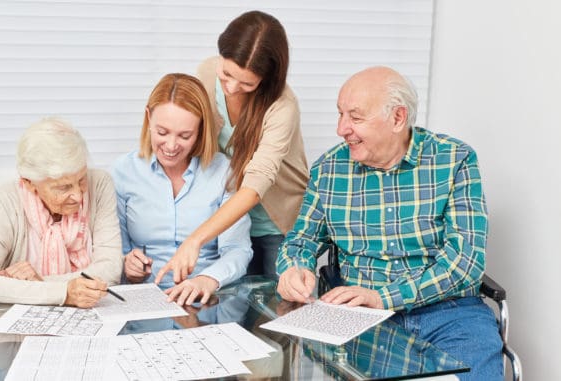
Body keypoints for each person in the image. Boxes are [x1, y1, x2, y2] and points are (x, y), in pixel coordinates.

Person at [276, 67, 503, 380]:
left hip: (450, 315)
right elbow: (301, 241)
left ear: (398, 118)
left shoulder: (455, 160)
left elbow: (465, 262)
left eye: (355, 117)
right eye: (340, 114)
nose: (341, 128)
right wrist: (292, 268)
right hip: (361, 318)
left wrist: (384, 297)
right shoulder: (329, 169)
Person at [156, 10, 309, 284]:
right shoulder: (206, 72)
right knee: (231, 308)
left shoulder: (282, 105)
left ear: (267, 79)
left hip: (276, 221)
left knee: (277, 311)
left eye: (247, 83)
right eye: (226, 73)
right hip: (226, 222)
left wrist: (196, 239)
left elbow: (255, 186)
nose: (232, 87)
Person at [111, 73, 253, 305]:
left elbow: (238, 250)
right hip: (144, 302)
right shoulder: (123, 172)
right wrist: (128, 264)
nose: (170, 146)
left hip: (207, 300)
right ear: (148, 118)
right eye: (162, 132)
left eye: (185, 135)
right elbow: (115, 253)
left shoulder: (224, 172)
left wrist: (207, 279)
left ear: (200, 129)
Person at [0, 117, 123, 308]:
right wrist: (64, 293)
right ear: (30, 184)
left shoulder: (99, 184)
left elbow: (111, 269)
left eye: (81, 180)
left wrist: (38, 284)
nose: (78, 196)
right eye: (63, 187)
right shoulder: (6, 201)